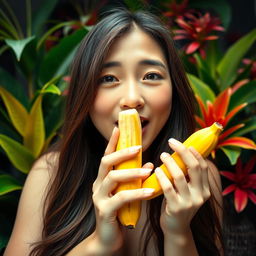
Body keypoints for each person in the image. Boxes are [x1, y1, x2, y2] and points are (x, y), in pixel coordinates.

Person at [4, 8, 224, 256]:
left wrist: (178, 233)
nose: (131, 99)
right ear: (84, 93)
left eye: (151, 76)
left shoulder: (199, 178)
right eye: (108, 78)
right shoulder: (51, 174)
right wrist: (100, 244)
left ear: (175, 88)